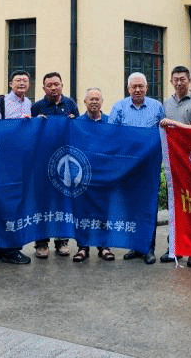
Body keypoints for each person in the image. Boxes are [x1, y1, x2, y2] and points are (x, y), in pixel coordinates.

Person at [111, 72, 166, 264]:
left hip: (149, 166)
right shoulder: (119, 107)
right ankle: (135, 246)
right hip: (128, 167)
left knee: (149, 206)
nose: (137, 89)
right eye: (133, 86)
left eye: (140, 86)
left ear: (146, 87)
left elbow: (164, 133)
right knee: (131, 206)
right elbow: (111, 134)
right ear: (128, 89)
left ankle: (148, 248)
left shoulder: (157, 107)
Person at [158, 65, 191, 267]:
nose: (179, 83)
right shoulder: (166, 103)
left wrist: (173, 124)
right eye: (175, 79)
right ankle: (174, 247)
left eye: (182, 79)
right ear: (171, 81)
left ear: (189, 81)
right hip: (172, 162)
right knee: (174, 206)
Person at [31, 72, 79, 258]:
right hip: (42, 161)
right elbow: (30, 133)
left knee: (62, 200)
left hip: (64, 161)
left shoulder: (70, 104)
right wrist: (36, 122)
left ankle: (62, 241)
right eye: (49, 85)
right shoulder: (37, 107)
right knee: (42, 202)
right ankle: (41, 243)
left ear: (62, 85)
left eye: (56, 84)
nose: (53, 88)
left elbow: (79, 128)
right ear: (43, 88)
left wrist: (74, 121)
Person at [0, 70, 32, 264]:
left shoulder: (28, 103)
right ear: (10, 83)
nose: (21, 83)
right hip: (2, 159)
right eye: (18, 80)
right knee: (6, 202)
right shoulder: (0, 102)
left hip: (19, 160)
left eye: (25, 80)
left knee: (17, 202)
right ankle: (10, 249)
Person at [73, 88, 115, 262]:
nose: (94, 102)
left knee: (103, 211)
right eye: (91, 99)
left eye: (97, 99)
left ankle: (103, 246)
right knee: (82, 211)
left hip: (104, 175)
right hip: (83, 176)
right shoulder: (76, 123)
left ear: (102, 101)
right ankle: (83, 247)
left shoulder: (110, 122)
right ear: (85, 102)